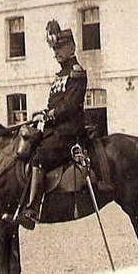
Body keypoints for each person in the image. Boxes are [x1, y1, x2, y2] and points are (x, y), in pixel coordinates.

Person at [17, 20, 88, 229]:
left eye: (60, 48)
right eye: (54, 49)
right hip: (55, 129)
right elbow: (53, 103)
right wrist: (42, 114)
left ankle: (32, 209)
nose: (56, 52)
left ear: (72, 48)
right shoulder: (59, 76)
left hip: (69, 132)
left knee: (39, 157)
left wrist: (50, 115)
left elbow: (71, 105)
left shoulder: (77, 73)